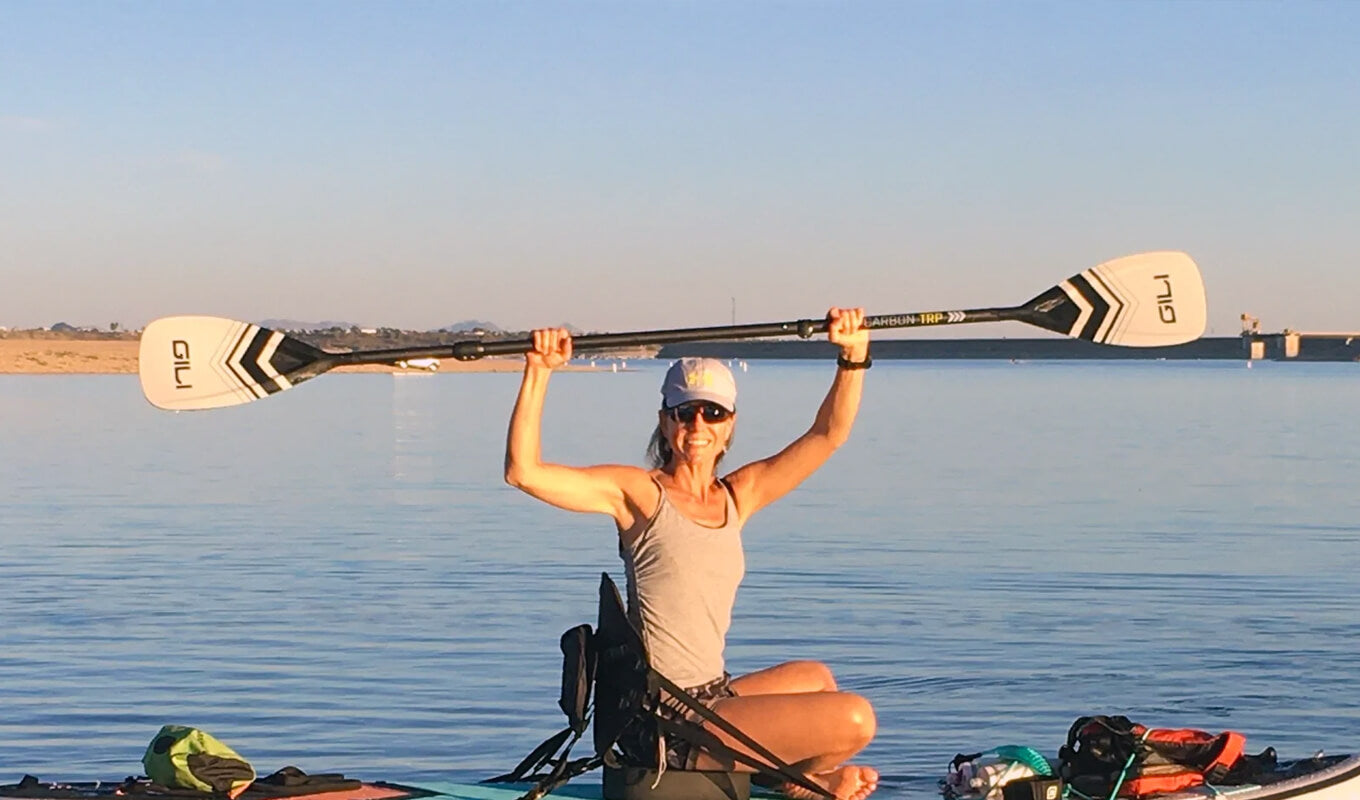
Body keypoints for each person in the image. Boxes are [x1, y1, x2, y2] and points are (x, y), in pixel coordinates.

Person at [504, 308, 878, 800]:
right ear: (665, 422)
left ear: (729, 426)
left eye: (713, 412)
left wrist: (853, 358)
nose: (698, 423)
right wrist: (539, 371)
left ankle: (780, 777)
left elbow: (827, 435)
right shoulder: (638, 494)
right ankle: (804, 781)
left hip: (709, 696)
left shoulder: (738, 495)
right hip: (661, 719)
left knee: (817, 678)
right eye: (685, 411)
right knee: (855, 718)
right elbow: (523, 471)